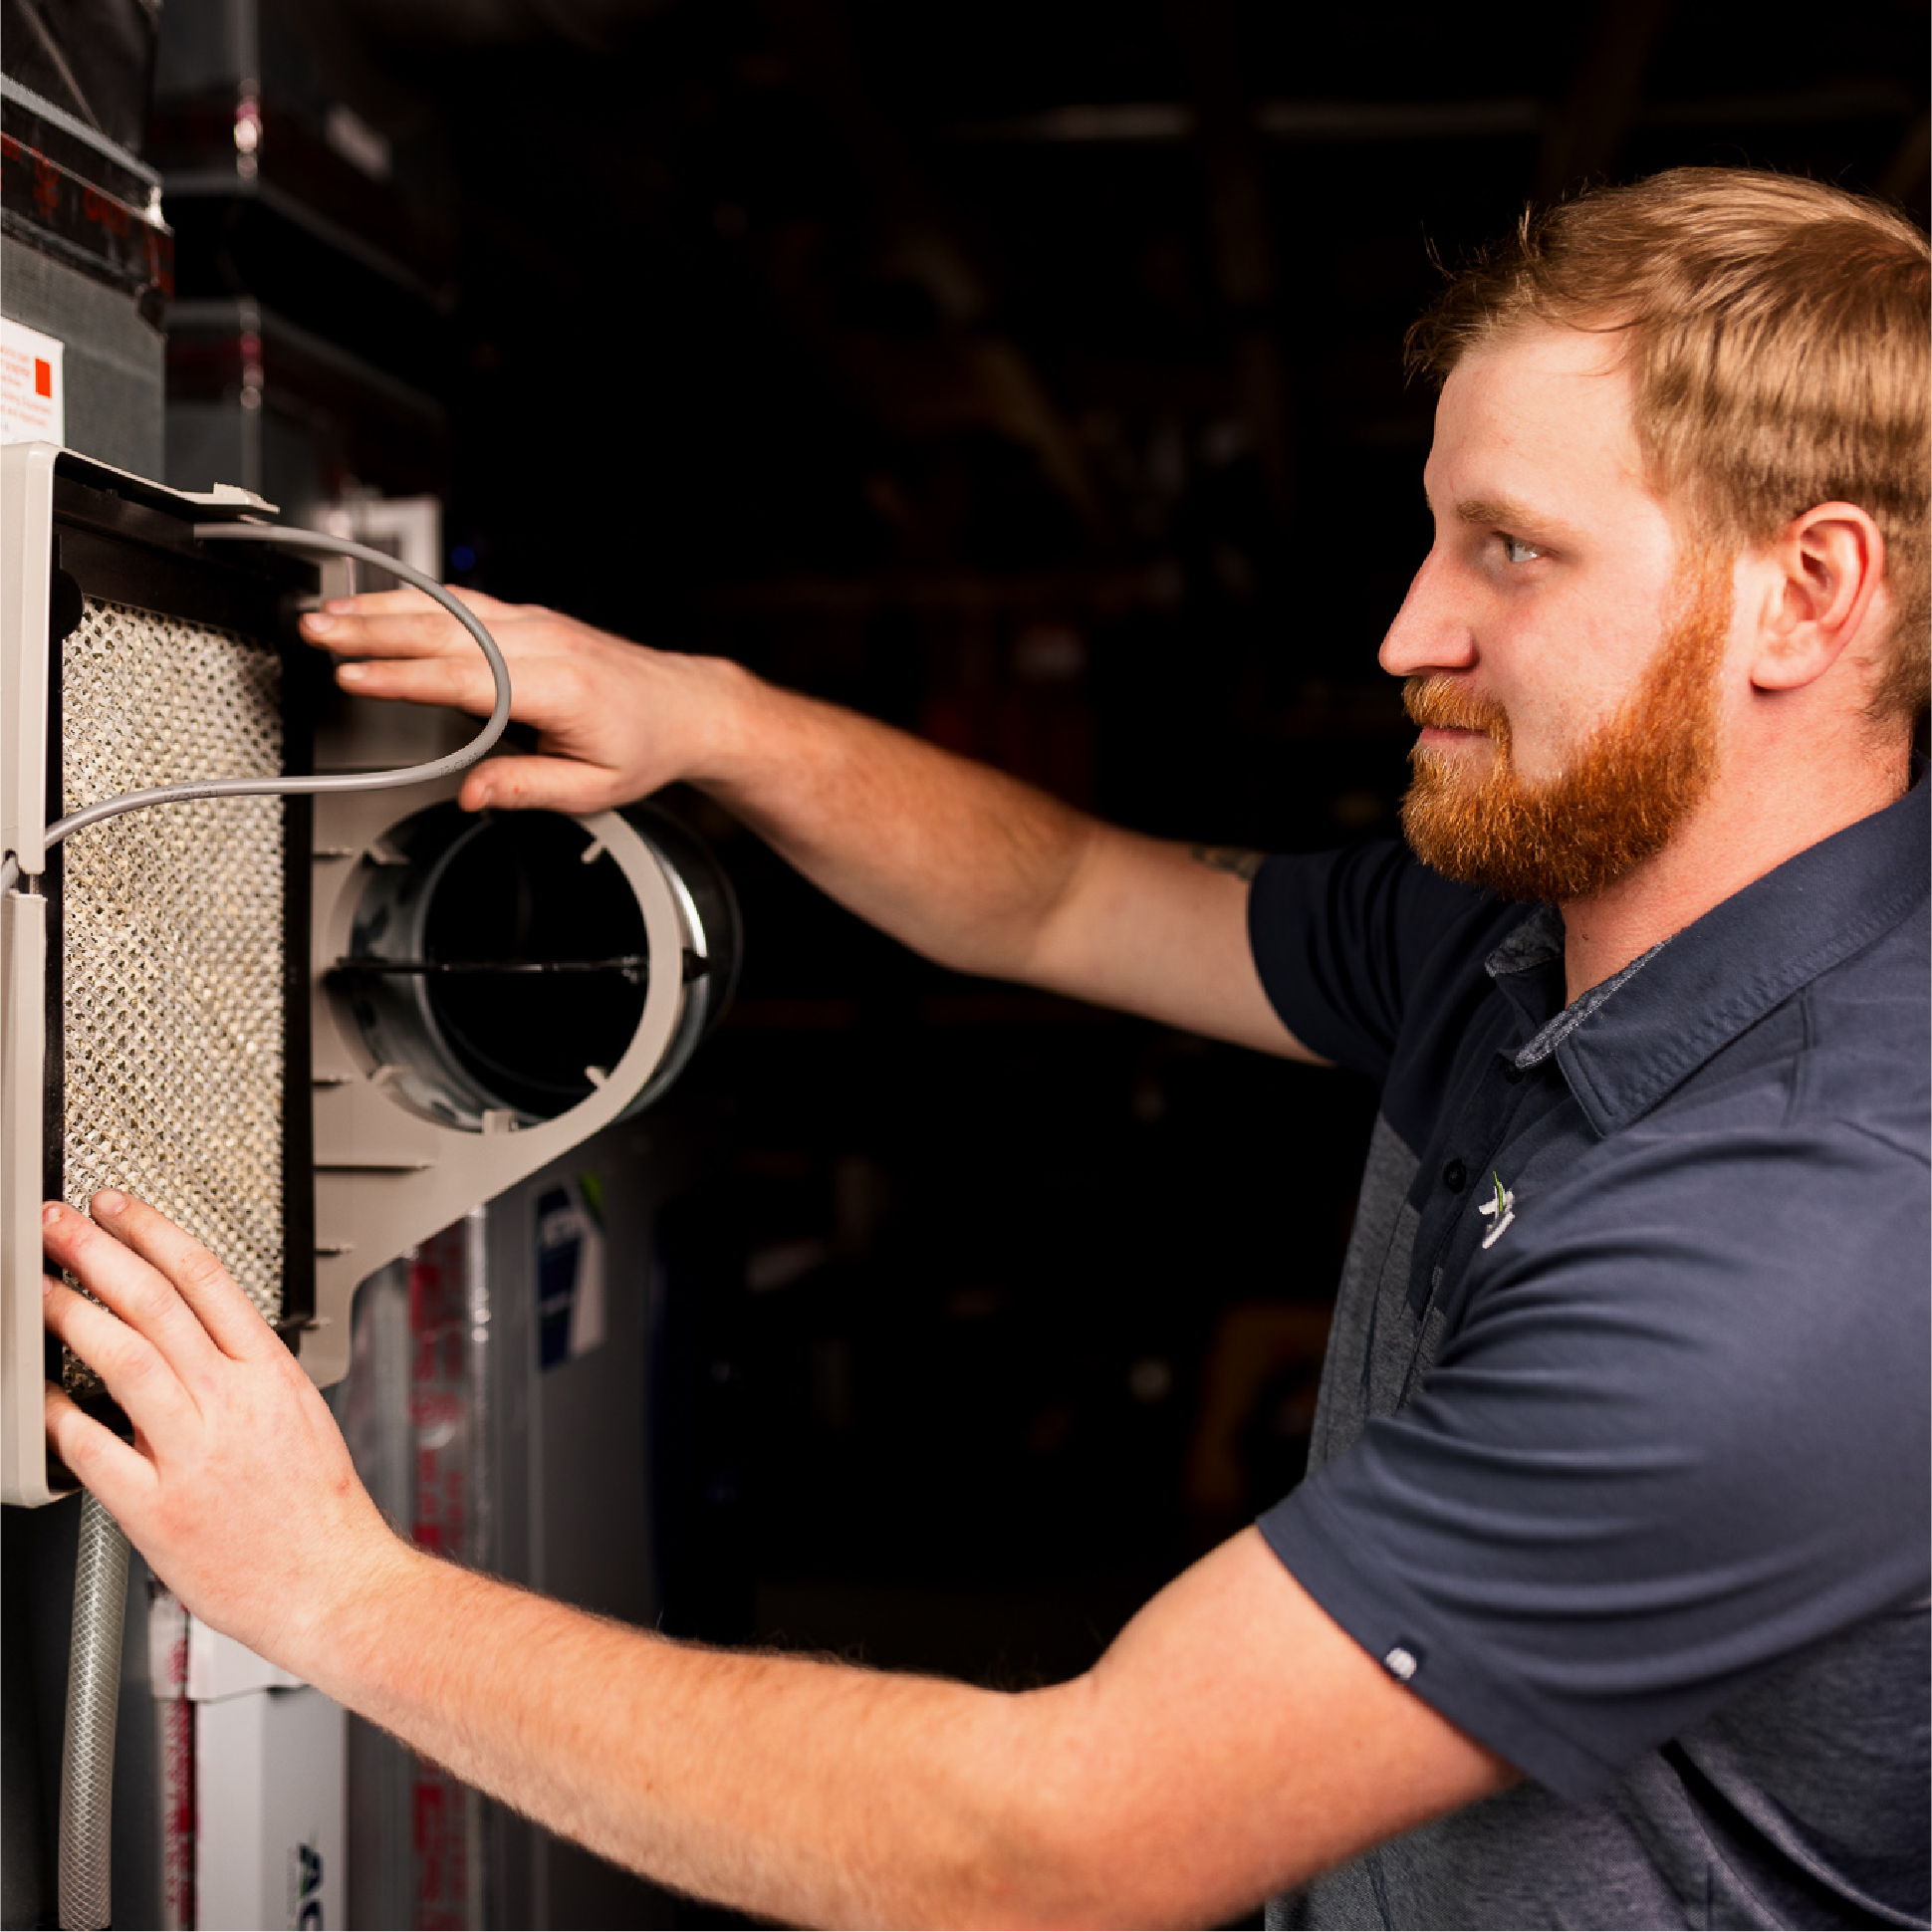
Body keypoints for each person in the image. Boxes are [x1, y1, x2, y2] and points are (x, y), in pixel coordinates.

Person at [42, 167, 1928, 1928]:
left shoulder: (1814, 1236)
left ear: (1810, 594)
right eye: (1437, 534)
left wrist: (325, 1585)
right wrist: (713, 717)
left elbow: (1056, 1841)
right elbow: (1069, 899)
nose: (1406, 629)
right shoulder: (1533, 932)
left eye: (1512, 551)